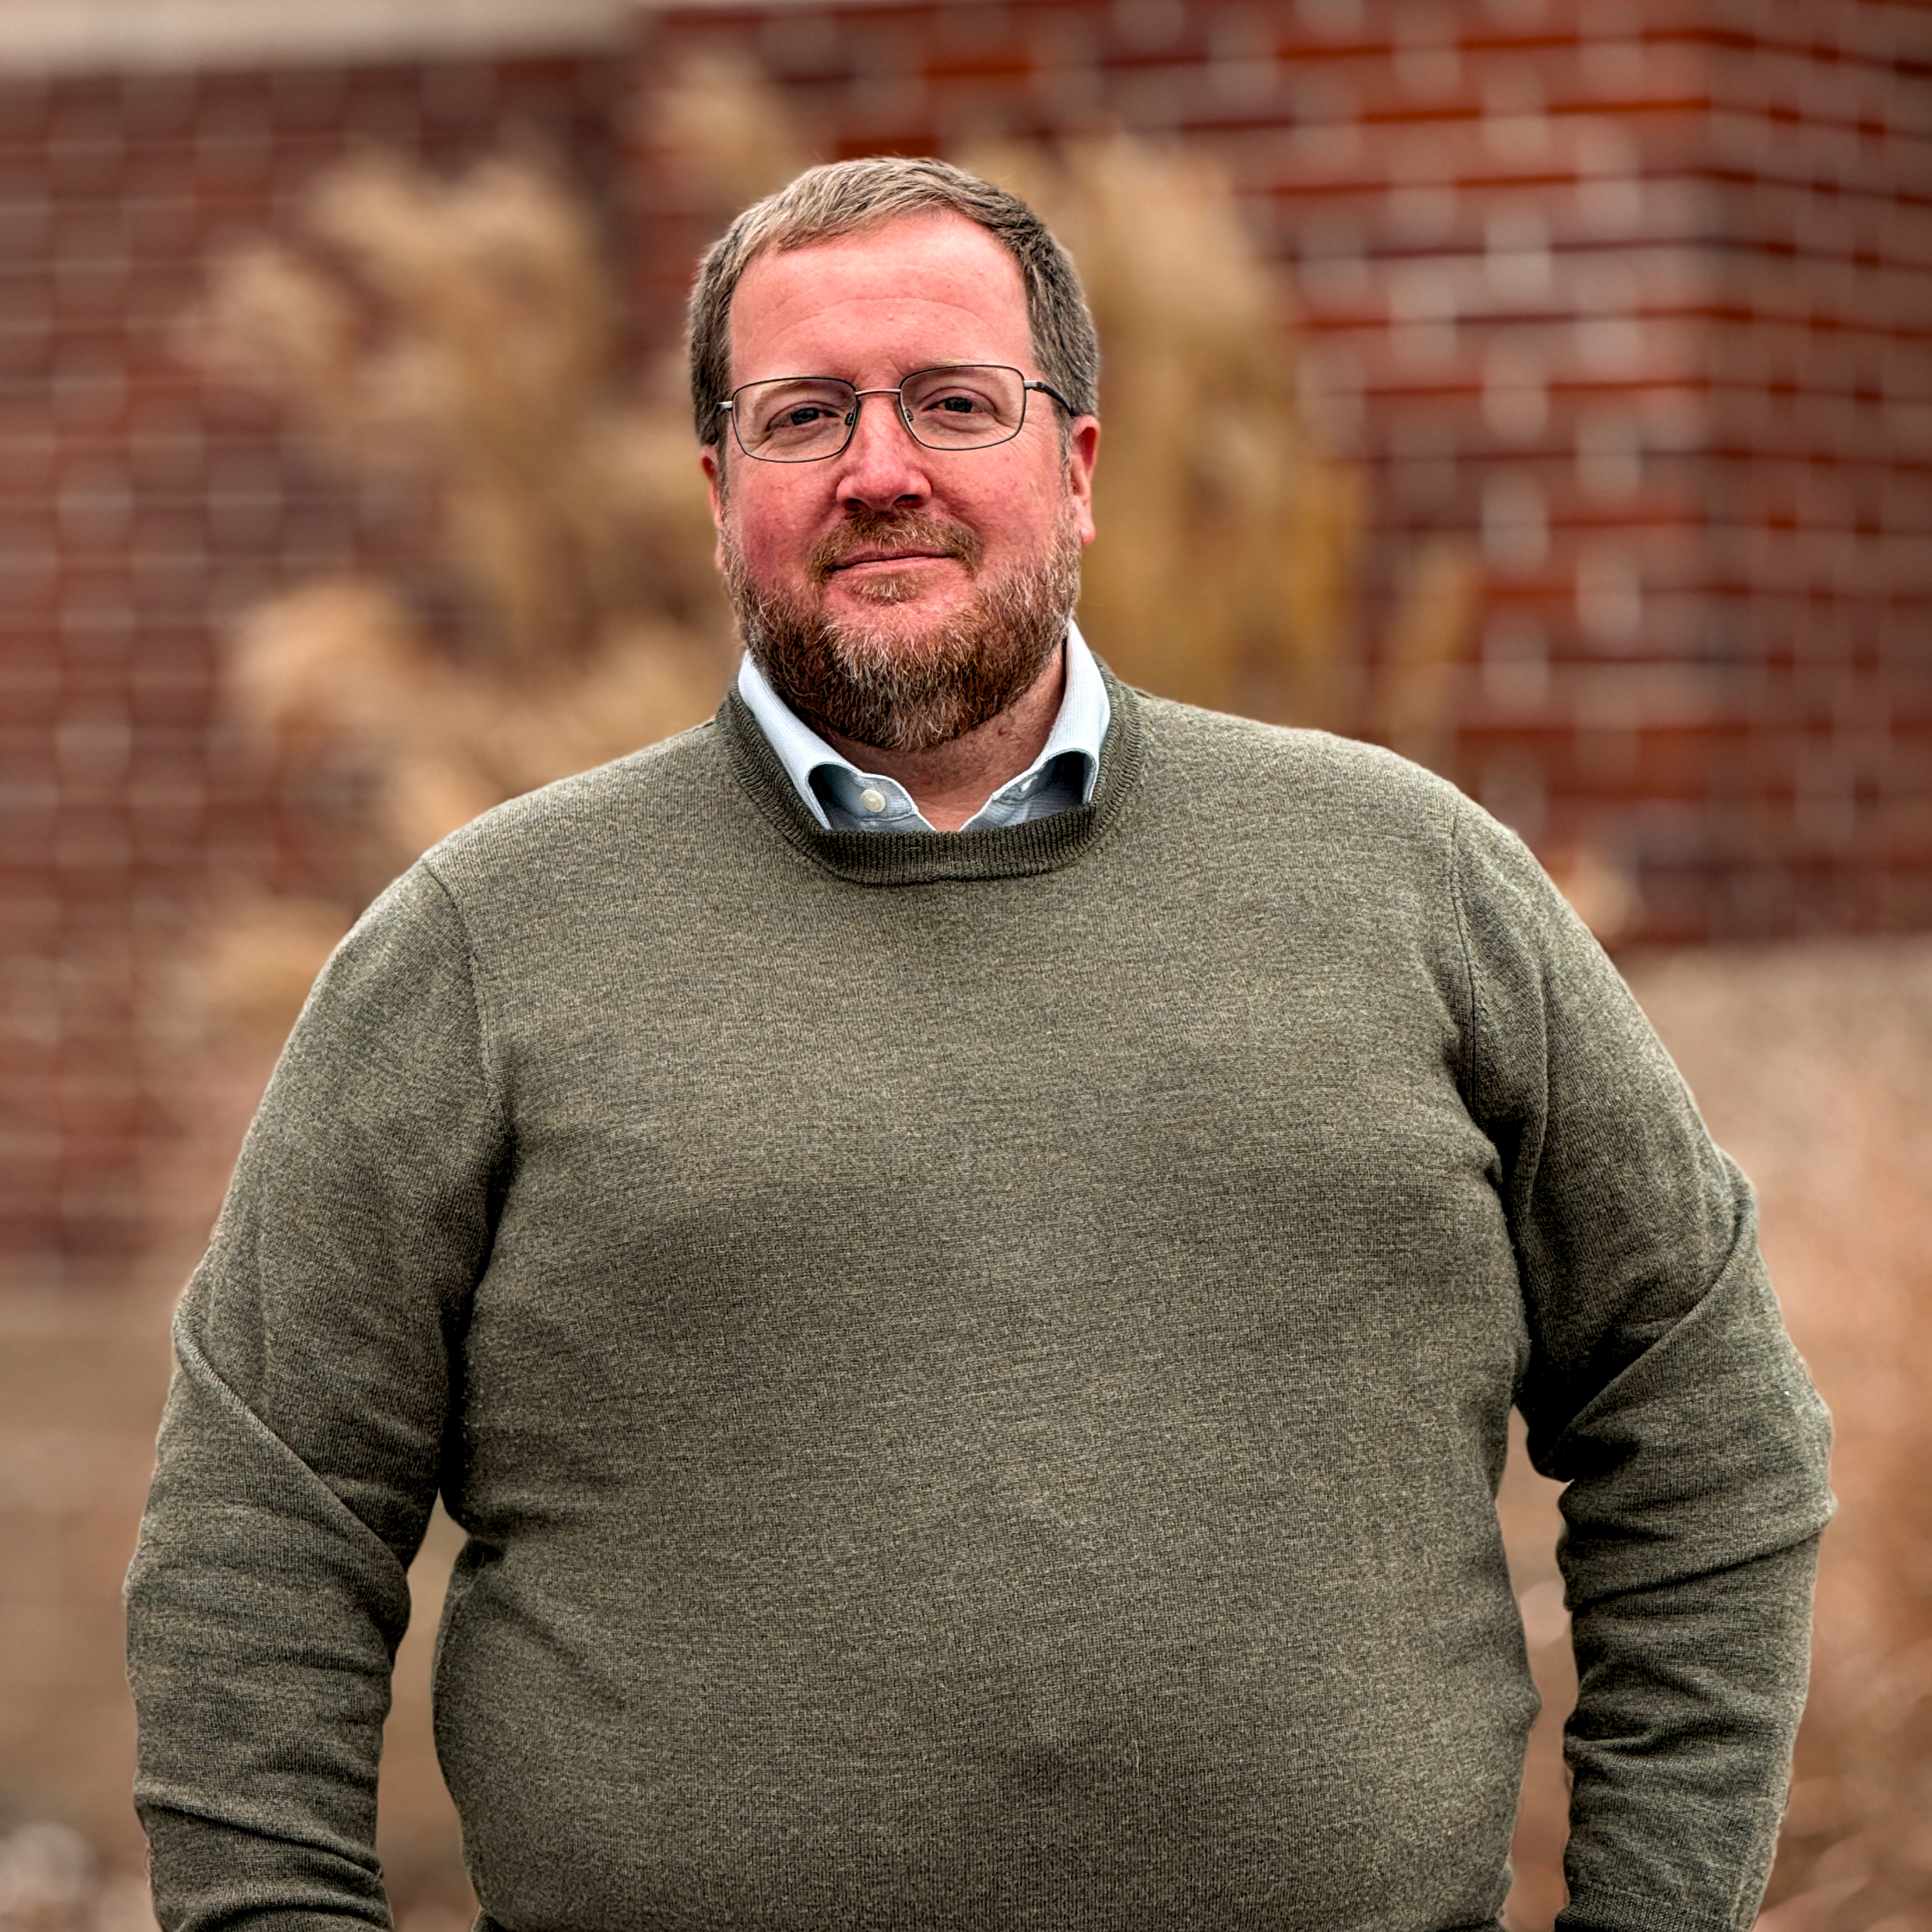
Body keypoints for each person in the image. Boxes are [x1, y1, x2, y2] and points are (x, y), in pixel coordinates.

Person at [128, 158, 1832, 1932]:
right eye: (802, 416)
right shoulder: (481, 941)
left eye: (953, 401)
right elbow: (264, 1524)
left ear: (1075, 467)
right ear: (720, 491)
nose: (881, 470)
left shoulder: (1408, 878)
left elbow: (1704, 1415)